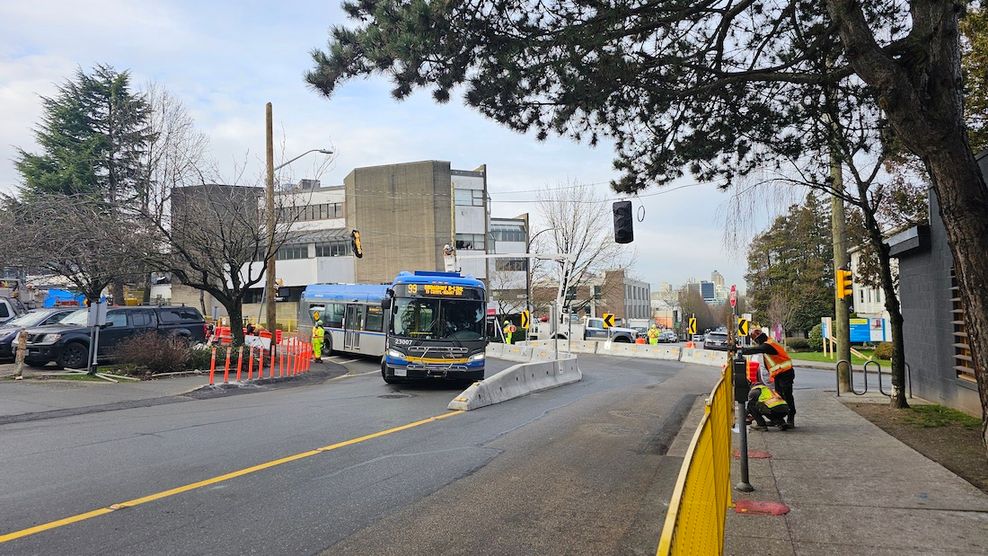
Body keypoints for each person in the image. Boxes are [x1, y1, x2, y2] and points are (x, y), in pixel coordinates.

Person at [741, 328, 796, 427]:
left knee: (787, 396)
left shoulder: (768, 345)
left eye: (755, 340)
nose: (756, 342)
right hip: (780, 374)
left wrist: (741, 350)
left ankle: (790, 419)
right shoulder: (768, 342)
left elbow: (757, 349)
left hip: (785, 373)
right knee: (779, 396)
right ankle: (778, 420)